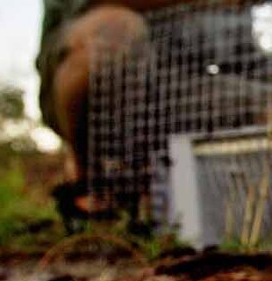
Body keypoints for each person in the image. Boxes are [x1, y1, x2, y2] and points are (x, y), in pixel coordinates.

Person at [37, 0, 197, 229]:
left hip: (177, 87)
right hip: (90, 74)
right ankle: (91, 177)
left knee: (263, 103)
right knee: (115, 28)